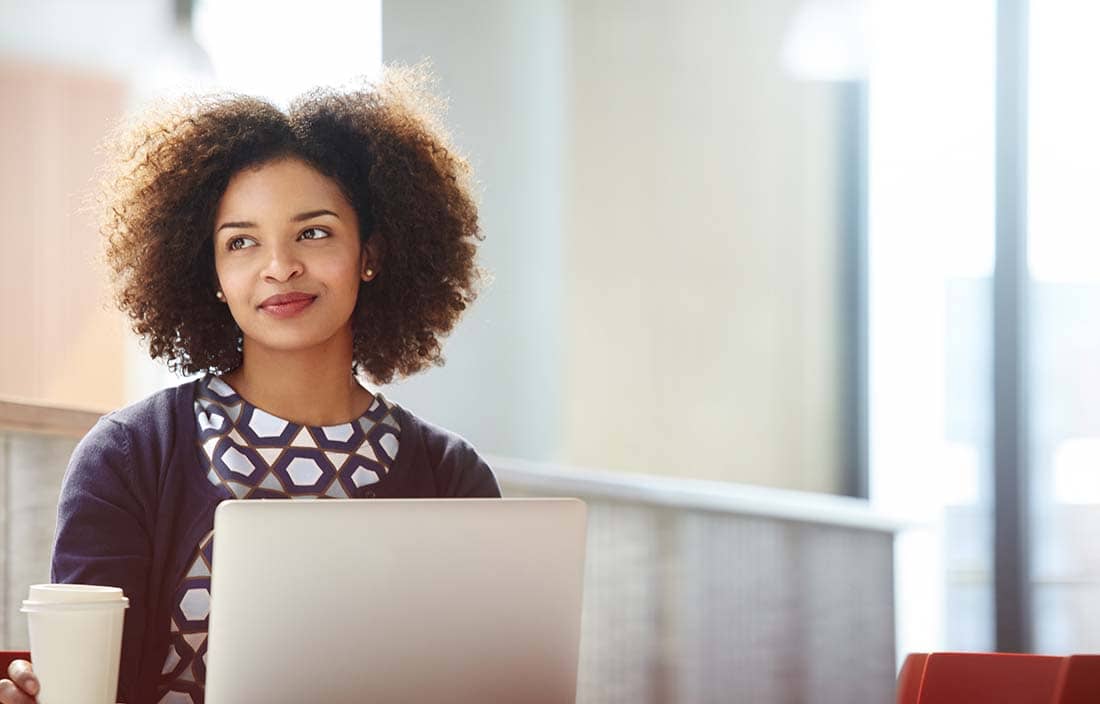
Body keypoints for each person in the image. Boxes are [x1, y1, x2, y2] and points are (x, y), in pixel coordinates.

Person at [0, 66, 499, 704]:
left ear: (370, 253)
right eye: (241, 242)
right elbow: (85, 687)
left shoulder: (452, 477)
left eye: (313, 233)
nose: (280, 267)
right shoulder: (129, 456)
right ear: (208, 269)